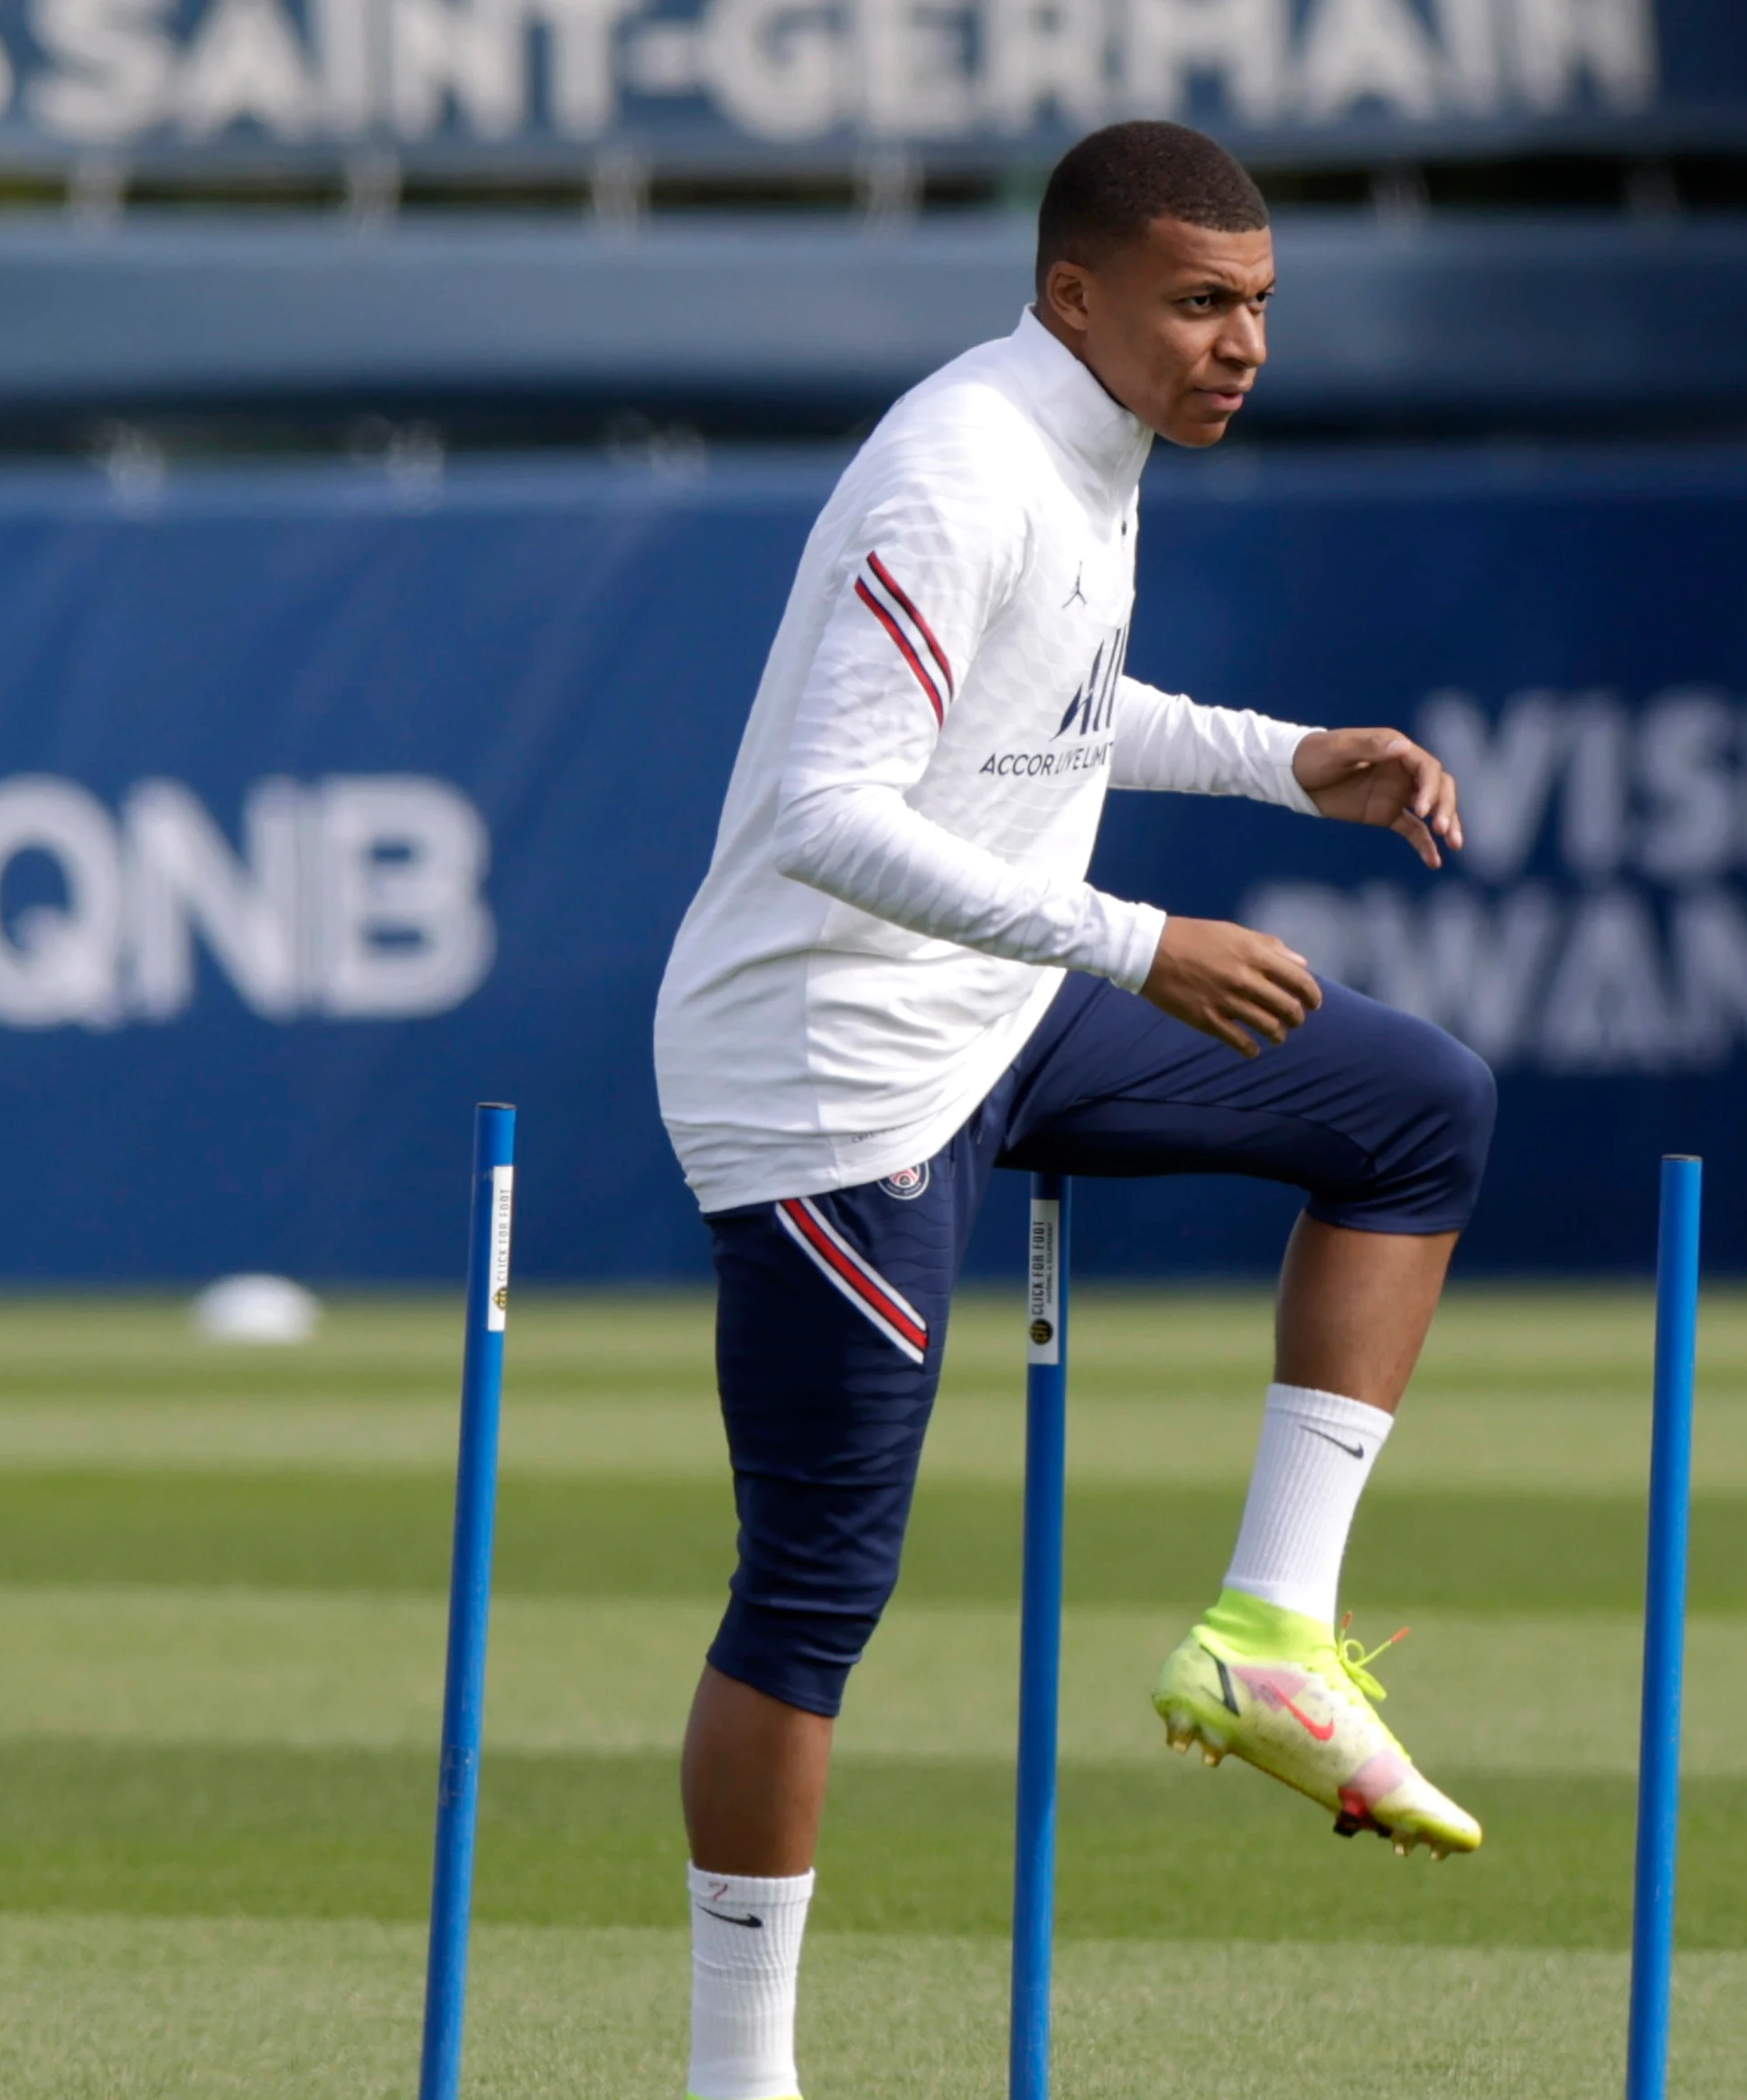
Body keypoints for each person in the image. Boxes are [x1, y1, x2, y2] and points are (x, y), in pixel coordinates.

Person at [648, 117, 1495, 2100]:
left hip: (1002, 1001)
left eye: (1261, 306)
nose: (1242, 345)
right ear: (1074, 295)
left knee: (1414, 1109)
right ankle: (737, 2076)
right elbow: (828, 815)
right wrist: (1136, 939)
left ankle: (1271, 1635)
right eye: (1203, 303)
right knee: (816, 1592)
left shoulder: (1091, 445)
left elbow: (1052, 712)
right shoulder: (957, 467)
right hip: (830, 1067)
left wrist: (1293, 763)